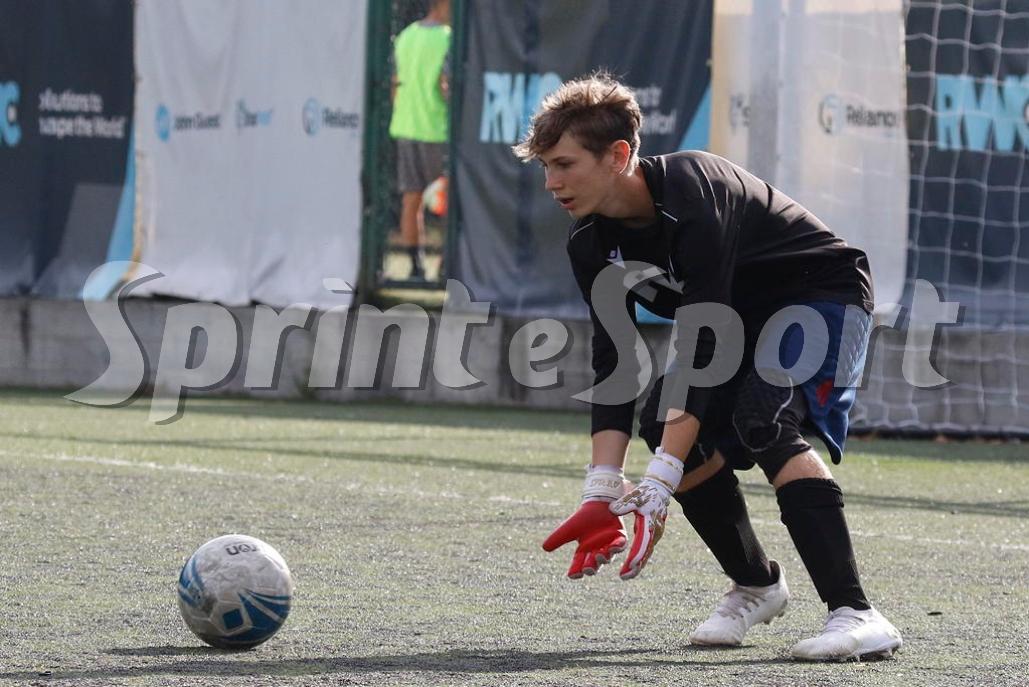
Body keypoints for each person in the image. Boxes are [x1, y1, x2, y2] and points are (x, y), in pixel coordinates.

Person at [513, 73, 903, 662]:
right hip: (740, 320)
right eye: (546, 167)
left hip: (823, 297)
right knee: (660, 425)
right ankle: (756, 584)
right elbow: (615, 358)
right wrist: (602, 488)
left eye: (564, 164)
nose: (552, 182)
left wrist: (659, 481)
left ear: (618, 155)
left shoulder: (695, 192)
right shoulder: (589, 241)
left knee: (764, 418)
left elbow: (704, 342)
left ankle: (857, 613)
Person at [389, 0, 451, 280]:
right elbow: (445, 85)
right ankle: (445, 266)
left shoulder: (406, 35)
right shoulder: (448, 38)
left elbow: (394, 84)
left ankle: (416, 268)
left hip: (405, 128)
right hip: (437, 130)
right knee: (450, 202)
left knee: (411, 201)